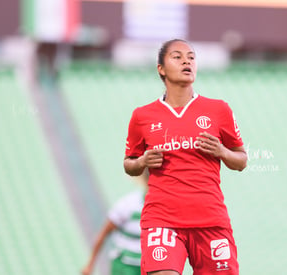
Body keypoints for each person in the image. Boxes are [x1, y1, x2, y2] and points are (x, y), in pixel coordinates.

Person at [123, 39, 247, 275]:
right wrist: (141, 162)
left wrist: (221, 151)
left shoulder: (218, 110)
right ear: (161, 68)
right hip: (162, 219)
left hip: (210, 219)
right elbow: (129, 163)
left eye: (191, 57)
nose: (186, 61)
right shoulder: (142, 116)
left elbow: (241, 160)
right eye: (177, 57)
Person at [81, 171, 148, 275]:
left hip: (147, 265)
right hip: (124, 264)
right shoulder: (128, 204)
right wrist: (90, 264)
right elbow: (104, 233)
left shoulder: (164, 207)